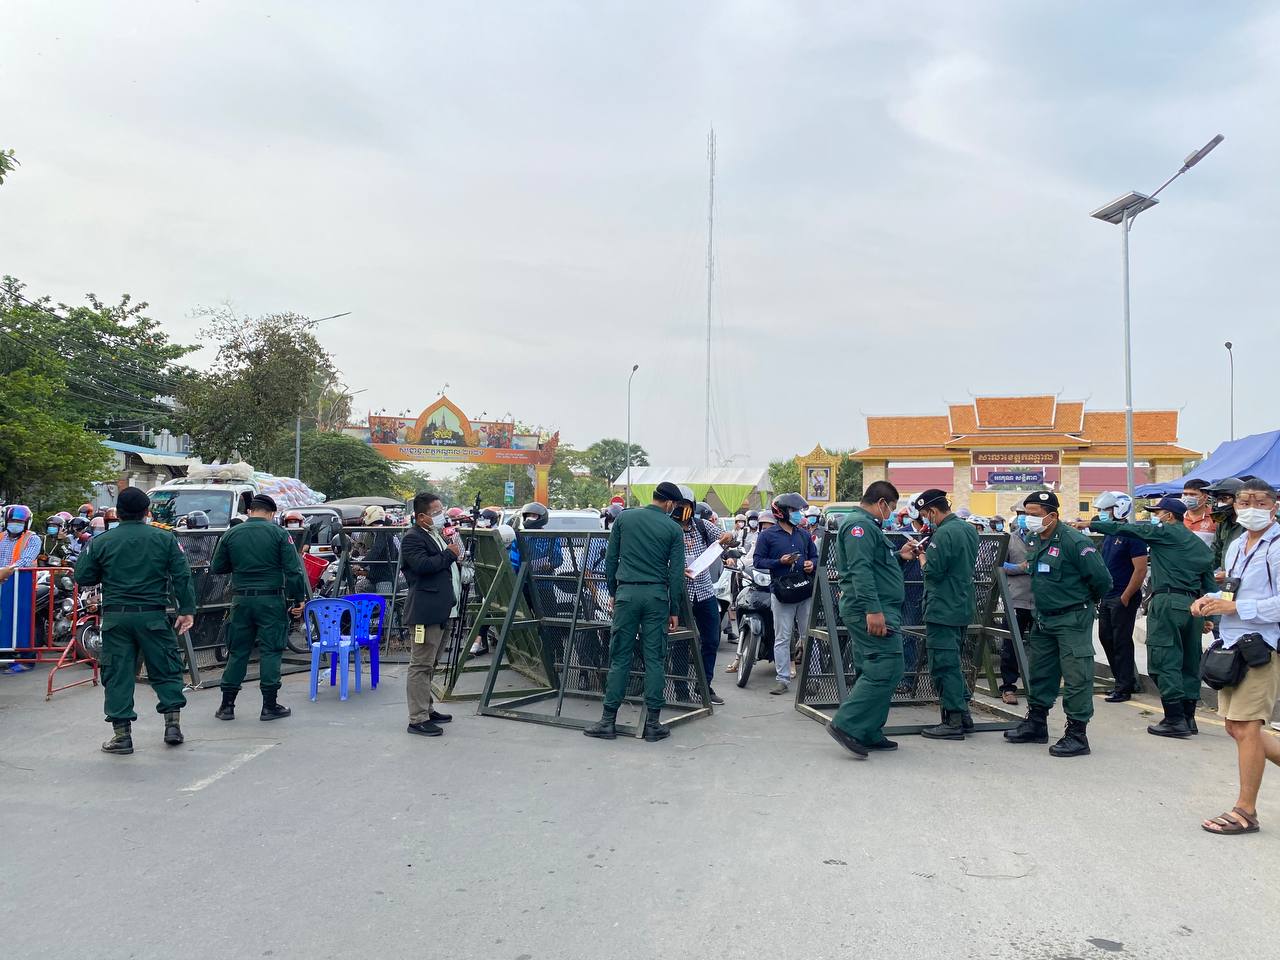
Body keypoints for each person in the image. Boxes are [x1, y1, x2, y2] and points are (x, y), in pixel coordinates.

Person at [73, 487, 195, 754]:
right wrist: (187, 609)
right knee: (166, 668)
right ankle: (172, 726)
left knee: (118, 673)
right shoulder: (165, 538)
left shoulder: (102, 541)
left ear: (118, 513)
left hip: (116, 617)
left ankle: (122, 736)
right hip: (153, 615)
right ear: (146, 512)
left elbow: (83, 576)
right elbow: (182, 575)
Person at [1191, 479, 1280, 835]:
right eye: (1244, 502)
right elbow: (1233, 590)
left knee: (1247, 727)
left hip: (1262, 646)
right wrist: (1210, 599)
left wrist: (1236, 608)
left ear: (1274, 506)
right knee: (1234, 726)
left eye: (1260, 502)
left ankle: (1246, 811)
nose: (1251, 508)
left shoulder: (1277, 546)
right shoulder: (1238, 544)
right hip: (1232, 643)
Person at [1087, 496, 1215, 737]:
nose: (1156, 517)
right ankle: (1188, 718)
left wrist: (1091, 524)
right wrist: (1211, 617)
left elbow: (1128, 529)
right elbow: (1210, 586)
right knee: (1190, 661)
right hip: (1194, 606)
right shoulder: (1199, 545)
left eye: (1158, 513)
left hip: (1167, 602)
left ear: (1169, 516)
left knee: (1164, 659)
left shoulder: (1165, 532)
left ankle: (1174, 719)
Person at [1005, 491, 1111, 758]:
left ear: (1052, 515)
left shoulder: (1075, 542)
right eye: (1025, 514)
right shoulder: (1034, 539)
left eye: (1034, 515)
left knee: (1077, 676)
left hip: (1072, 618)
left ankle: (1077, 734)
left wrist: (1083, 602)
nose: (1028, 519)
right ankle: (1036, 723)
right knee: (1040, 671)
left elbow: (1102, 580)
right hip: (1043, 617)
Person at [584, 481, 686, 743]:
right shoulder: (673, 529)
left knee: (620, 658)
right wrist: (674, 608)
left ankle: (608, 721)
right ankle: (652, 724)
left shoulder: (624, 519)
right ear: (669, 503)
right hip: (656, 597)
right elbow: (676, 573)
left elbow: (610, 559)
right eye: (674, 505)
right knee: (654, 659)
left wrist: (614, 591)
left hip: (626, 595)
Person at [826, 481, 917, 758]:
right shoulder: (860, 527)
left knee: (873, 667)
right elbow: (861, 570)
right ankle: (847, 725)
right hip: (871, 608)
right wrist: (873, 610)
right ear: (881, 503)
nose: (892, 513)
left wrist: (899, 557)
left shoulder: (869, 527)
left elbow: (877, 566)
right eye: (892, 507)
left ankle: (868, 731)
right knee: (886, 666)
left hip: (877, 606)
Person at [210, 494, 309, 723]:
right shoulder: (279, 533)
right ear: (272, 513)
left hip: (241, 600)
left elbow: (217, 567)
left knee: (238, 652)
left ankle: (226, 706)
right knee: (271, 650)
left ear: (250, 511)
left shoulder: (231, 534)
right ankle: (269, 706)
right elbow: (293, 570)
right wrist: (298, 599)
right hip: (271, 600)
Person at [913, 490, 980, 740]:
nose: (925, 519)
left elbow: (933, 571)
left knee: (943, 664)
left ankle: (953, 720)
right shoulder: (968, 529)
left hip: (943, 606)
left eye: (925, 514)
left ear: (932, 511)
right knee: (953, 662)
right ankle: (963, 715)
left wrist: (921, 556)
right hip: (961, 604)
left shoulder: (944, 533)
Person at [400, 493, 462, 737]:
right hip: (425, 612)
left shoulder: (434, 534)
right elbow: (423, 566)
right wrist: (450, 554)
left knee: (431, 663)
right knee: (420, 665)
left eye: (441, 510)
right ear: (421, 516)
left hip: (442, 609)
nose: (440, 515)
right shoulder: (412, 538)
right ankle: (417, 718)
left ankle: (427, 708)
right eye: (435, 512)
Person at [752, 492, 819, 696]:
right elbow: (757, 561)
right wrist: (779, 562)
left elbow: (815, 557)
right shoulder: (767, 536)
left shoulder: (804, 535)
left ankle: (813, 677)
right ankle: (782, 679)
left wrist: (811, 564)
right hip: (782, 593)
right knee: (782, 637)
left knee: (810, 635)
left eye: (798, 510)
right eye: (793, 510)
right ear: (781, 512)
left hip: (804, 591)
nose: (798, 514)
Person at [1088, 492, 1148, 704]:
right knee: (1106, 638)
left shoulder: (1132, 535)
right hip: (1108, 596)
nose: (1102, 514)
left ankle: (1124, 686)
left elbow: (1140, 569)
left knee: (1121, 641)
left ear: (1118, 508)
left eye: (1105, 510)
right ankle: (1121, 681)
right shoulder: (1110, 534)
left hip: (1123, 596)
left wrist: (1126, 595)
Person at [676, 493, 735, 705]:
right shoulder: (669, 528)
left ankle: (704, 686)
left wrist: (728, 537)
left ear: (692, 507)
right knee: (681, 642)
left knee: (711, 640)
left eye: (686, 505)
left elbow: (728, 538)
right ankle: (680, 690)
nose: (682, 509)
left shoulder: (702, 526)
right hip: (680, 594)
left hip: (704, 592)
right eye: (679, 505)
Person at [999, 505, 1035, 705]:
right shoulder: (1010, 539)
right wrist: (1018, 568)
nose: (1025, 518)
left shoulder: (1045, 539)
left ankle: (1038, 686)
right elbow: (999, 565)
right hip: (1016, 599)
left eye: (1029, 515)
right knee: (1011, 645)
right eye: (1022, 514)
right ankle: (1008, 687)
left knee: (1041, 646)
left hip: (1040, 601)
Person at [1206, 478, 1245, 575]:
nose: (1220, 503)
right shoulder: (1223, 523)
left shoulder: (1249, 524)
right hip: (1227, 580)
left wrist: (1229, 573)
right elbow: (1215, 552)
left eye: (1225, 499)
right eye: (1218, 499)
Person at [360, 504, 400, 595]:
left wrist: (361, 564)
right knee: (360, 586)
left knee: (384, 600)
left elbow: (376, 550)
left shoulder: (382, 532)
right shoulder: (378, 532)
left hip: (384, 576)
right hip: (378, 574)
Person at [1181, 479, 1217, 548]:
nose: (1187, 498)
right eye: (1185, 494)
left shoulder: (1215, 518)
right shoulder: (1176, 516)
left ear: (1205, 497)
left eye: (1192, 494)